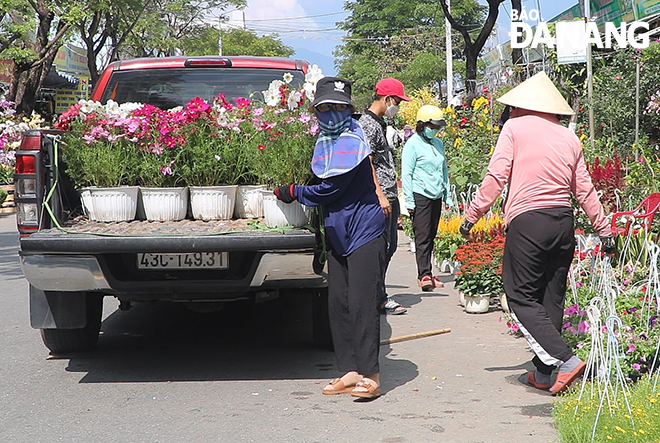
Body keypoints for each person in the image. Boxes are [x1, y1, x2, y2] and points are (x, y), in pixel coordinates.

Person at [459, 71, 615, 395]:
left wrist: (471, 216)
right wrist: (605, 230)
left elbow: (495, 177)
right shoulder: (569, 138)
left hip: (529, 221)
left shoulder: (514, 128)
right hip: (563, 222)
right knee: (551, 297)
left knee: (518, 295)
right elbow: (584, 190)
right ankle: (544, 375)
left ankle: (567, 361)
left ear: (518, 106)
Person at [273, 77, 386, 400]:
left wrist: (292, 191)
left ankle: (371, 375)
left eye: (339, 107)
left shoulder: (353, 140)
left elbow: (328, 189)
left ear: (349, 110)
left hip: (364, 230)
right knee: (338, 304)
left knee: (363, 304)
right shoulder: (325, 140)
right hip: (338, 232)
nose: (332, 113)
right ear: (316, 111)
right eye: (325, 107)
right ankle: (349, 371)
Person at [359, 78, 410, 315]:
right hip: (381, 196)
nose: (397, 105)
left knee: (389, 247)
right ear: (387, 99)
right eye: (397, 101)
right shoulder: (368, 124)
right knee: (381, 248)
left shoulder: (379, 123)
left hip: (389, 192)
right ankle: (377, 297)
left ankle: (378, 293)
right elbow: (366, 161)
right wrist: (379, 195)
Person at [401, 105, 453, 291]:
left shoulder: (438, 144)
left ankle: (429, 272)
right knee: (422, 237)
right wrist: (409, 200)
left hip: (436, 194)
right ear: (422, 124)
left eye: (438, 127)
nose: (435, 130)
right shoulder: (412, 144)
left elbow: (443, 169)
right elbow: (406, 174)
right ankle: (423, 275)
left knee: (431, 235)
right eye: (433, 126)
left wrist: (447, 195)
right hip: (420, 194)